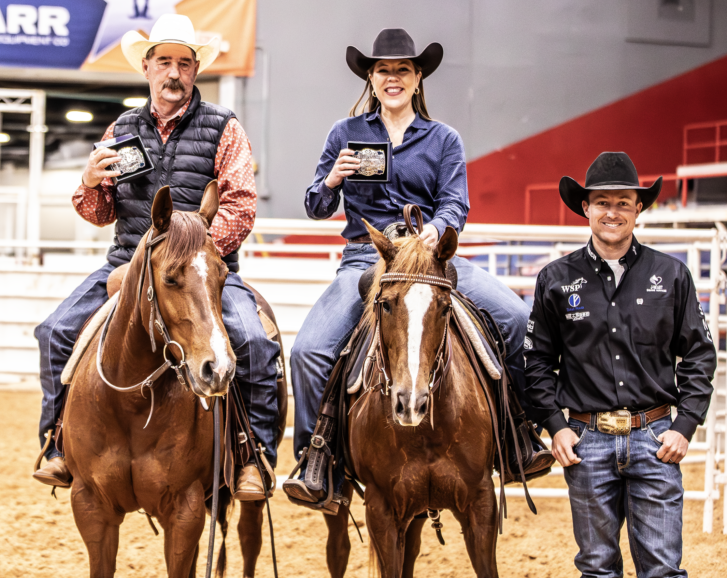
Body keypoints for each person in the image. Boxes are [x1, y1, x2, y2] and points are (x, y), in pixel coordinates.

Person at [283, 28, 552, 505]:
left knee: (515, 318)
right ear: (370, 76)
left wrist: (437, 228)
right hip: (369, 260)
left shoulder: (444, 138)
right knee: (308, 350)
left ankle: (519, 436)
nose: (393, 77)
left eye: (402, 69)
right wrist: (331, 179)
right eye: (383, 69)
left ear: (417, 77)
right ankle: (318, 460)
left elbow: (456, 205)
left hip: (431, 259)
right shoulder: (344, 134)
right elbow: (316, 207)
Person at [33, 14, 281, 501]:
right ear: (146, 68)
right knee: (56, 331)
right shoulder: (122, 128)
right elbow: (100, 211)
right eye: (163, 61)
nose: (173, 72)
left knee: (252, 341)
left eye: (184, 63)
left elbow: (241, 206)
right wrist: (87, 182)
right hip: (126, 263)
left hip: (201, 271)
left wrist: (192, 251)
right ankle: (57, 442)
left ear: (195, 71)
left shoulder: (224, 128)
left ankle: (254, 455)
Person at [524, 152, 716, 577]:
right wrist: (556, 426)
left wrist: (684, 427)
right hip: (586, 443)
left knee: (663, 569)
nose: (613, 212)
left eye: (623, 202)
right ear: (586, 208)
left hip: (656, 440)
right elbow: (536, 360)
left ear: (638, 209)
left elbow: (700, 354)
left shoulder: (672, 275)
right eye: (603, 202)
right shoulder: (555, 279)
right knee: (596, 568)